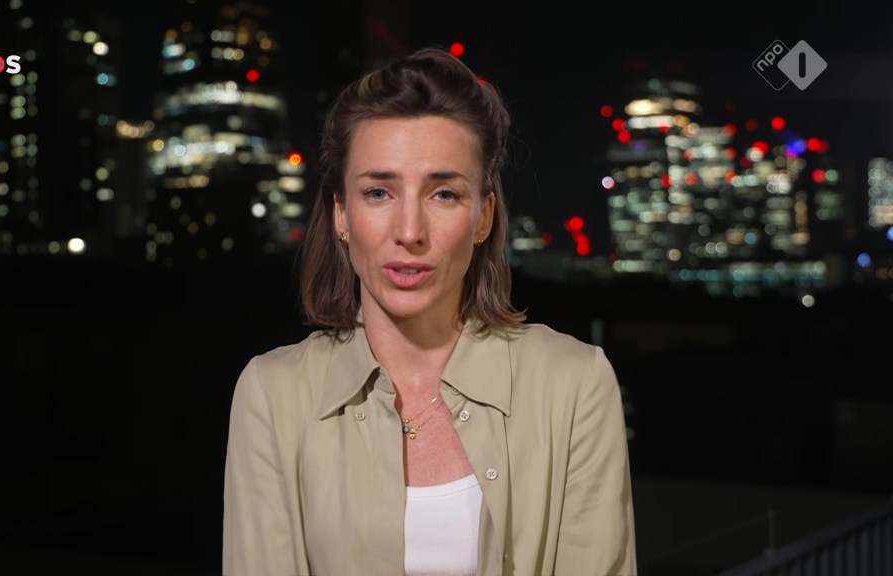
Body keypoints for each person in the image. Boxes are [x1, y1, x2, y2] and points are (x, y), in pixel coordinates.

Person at [222, 46, 636, 576]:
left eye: (443, 194)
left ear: (483, 218)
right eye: (378, 192)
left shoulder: (574, 385)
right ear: (341, 214)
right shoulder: (273, 394)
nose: (410, 231)